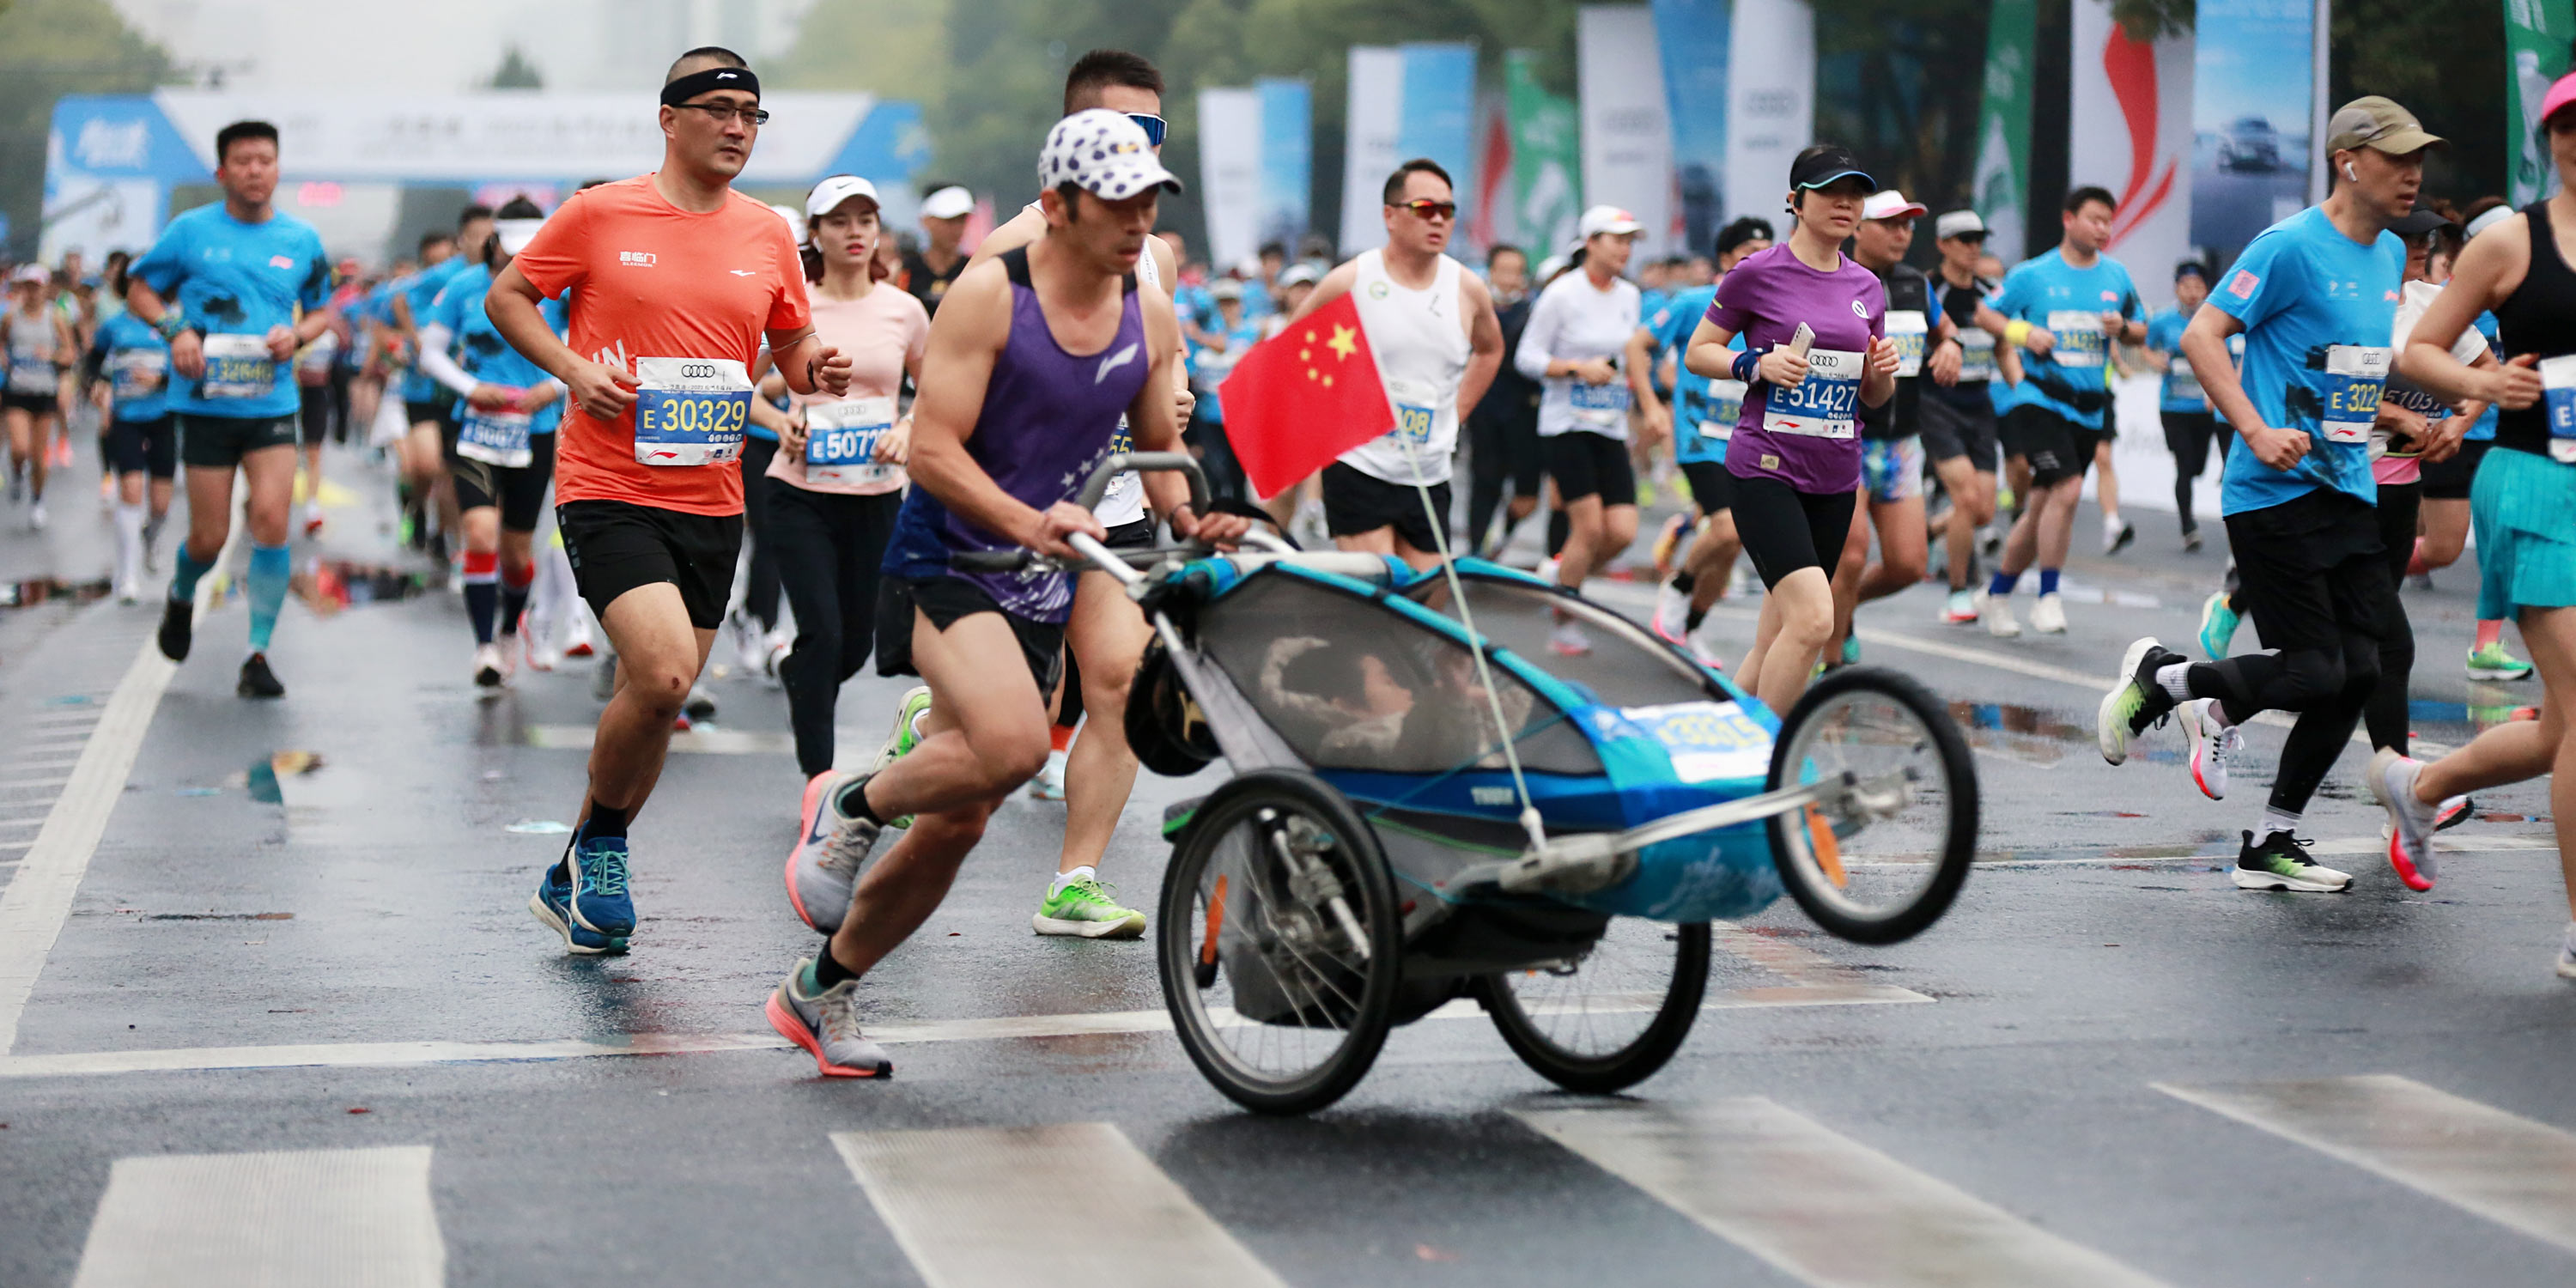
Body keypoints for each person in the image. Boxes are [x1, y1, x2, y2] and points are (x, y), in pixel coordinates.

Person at [770, 110, 1247, 1074]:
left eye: (1150, 200)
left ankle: (820, 992)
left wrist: (1199, 521)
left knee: (964, 817)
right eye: (1117, 201)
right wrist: (1029, 520)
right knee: (1017, 745)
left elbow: (1160, 454)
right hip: (947, 561)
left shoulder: (1148, 310)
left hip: (1044, 572)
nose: (1136, 220)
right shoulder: (991, 296)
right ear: (1059, 206)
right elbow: (935, 449)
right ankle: (855, 803)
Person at [484, 47, 850, 956]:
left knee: (658, 702)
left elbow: (792, 342)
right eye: (720, 109)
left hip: (711, 499)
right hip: (609, 484)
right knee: (659, 675)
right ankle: (604, 850)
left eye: (751, 115)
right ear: (670, 117)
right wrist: (573, 368)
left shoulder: (767, 231)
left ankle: (573, 863)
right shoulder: (601, 211)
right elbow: (511, 297)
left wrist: (818, 372)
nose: (737, 128)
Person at [2095, 96, 2439, 893]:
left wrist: (2394, 414)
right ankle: (2168, 680)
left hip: (2349, 485)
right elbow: (2201, 335)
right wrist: (2251, 427)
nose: (2413, 172)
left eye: (2421, 156)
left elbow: (2339, 368)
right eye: (2397, 157)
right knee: (2318, 670)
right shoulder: (2286, 246)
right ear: (2348, 162)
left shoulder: (2388, 254)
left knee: (2369, 667)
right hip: (2271, 492)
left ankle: (2272, 839)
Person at [948, 49, 1206, 934]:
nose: (1142, 161)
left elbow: (1159, 375)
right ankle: (913, 743)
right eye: (1127, 135)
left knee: (1122, 683)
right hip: (1016, 518)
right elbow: (955, 392)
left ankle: (1076, 879)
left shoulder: (1154, 260)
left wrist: (1171, 406)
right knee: (1003, 735)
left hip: (1117, 508)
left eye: (1156, 137)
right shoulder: (1008, 251)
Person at [2372, 73, 2576, 958]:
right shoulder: (2510, 242)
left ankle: (2418, 789)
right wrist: (2483, 383)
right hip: (2531, 482)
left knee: (2562, 729)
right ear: (2550, 140)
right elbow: (2419, 345)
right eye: (2568, 126)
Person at [1682, 144, 1899, 709]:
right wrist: (1754, 364)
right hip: (1766, 470)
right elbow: (1698, 351)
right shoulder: (1758, 273)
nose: (1845, 203)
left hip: (1834, 478)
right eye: (1830, 191)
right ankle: (1771, 762)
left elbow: (1872, 395)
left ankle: (1720, 742)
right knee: (1814, 622)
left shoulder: (1867, 288)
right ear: (1795, 202)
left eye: (1856, 194)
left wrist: (1881, 375)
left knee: (1775, 639)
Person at [128, 119, 335, 699]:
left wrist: (298, 336)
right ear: (223, 172)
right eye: (242, 161)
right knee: (210, 538)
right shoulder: (190, 232)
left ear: (277, 168)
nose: (254, 170)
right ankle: (181, 593)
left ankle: (258, 653)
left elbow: (321, 309)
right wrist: (175, 331)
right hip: (203, 403)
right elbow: (139, 289)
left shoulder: (301, 239)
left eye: (264, 160)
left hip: (271, 402)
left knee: (272, 521)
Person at [765, 175, 929, 823]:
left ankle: (802, 678)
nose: (855, 232)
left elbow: (941, 387)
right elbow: (743, 385)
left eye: (866, 220)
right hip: (799, 494)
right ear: (816, 235)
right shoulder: (793, 308)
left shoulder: (904, 310)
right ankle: (820, 783)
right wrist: (780, 423)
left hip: (877, 496)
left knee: (855, 646)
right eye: (839, 222)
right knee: (823, 631)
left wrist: (907, 429)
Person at [1287, 157, 1504, 568]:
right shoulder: (1351, 280)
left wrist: (1456, 413)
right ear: (1390, 215)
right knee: (1384, 586)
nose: (1438, 219)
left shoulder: (1468, 289)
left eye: (1448, 210)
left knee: (1430, 593)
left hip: (1428, 469)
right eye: (1425, 209)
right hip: (1357, 464)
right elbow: (1290, 350)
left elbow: (1491, 350)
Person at [1978, 186, 2144, 636]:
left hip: (2088, 409)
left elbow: (2140, 330)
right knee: (2067, 489)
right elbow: (1985, 314)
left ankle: (1996, 595)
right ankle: (2048, 596)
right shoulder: (2033, 275)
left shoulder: (2117, 277)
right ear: (2068, 219)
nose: (2103, 229)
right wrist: (2023, 332)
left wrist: (2124, 329)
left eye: (2109, 221)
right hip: (2039, 400)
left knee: (2040, 511)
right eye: (2095, 219)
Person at [416, 198, 568, 687]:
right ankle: (483, 645)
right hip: (477, 429)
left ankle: (508, 629)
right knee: (479, 533)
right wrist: (469, 388)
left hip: (536, 429)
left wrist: (553, 386)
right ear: (494, 242)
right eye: (512, 248)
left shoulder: (562, 289)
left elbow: (595, 343)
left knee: (516, 555)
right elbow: (431, 353)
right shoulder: (462, 287)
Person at [1517, 204, 1661, 654]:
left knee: (1621, 531)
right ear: (1591, 243)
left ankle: (1559, 573)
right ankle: (1565, 620)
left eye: (1631, 241)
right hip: (1566, 426)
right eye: (1617, 239)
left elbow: (1632, 355)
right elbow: (1527, 358)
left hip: (1610, 425)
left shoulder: (1629, 296)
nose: (1625, 249)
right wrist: (1576, 368)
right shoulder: (1562, 294)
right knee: (1590, 529)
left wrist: (1642, 389)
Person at [1834, 189, 1956, 665]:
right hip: (1848, 439)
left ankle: (1838, 610)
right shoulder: (1836, 279)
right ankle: (1831, 664)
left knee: (1909, 564)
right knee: (1850, 555)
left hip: (1903, 443)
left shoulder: (1915, 284)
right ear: (1858, 227)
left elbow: (1946, 329)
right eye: (1890, 224)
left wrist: (1951, 346)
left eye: (1908, 226)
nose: (1902, 234)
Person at [1644, 216, 1771, 663]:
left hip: (1749, 440)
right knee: (1726, 527)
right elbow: (1638, 345)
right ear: (1724, 260)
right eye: (1746, 256)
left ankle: (1690, 627)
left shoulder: (1771, 311)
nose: (1757, 264)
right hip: (1699, 439)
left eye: (1765, 254)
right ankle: (1678, 588)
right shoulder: (1694, 302)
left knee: (1732, 543)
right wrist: (1652, 402)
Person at [1921, 210, 2013, 623]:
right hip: (1937, 404)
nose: (1974, 247)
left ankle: (1930, 529)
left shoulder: (1991, 291)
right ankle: (1958, 592)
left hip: (1980, 406)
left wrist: (2019, 384)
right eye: (1964, 239)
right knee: (1967, 499)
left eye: (1979, 239)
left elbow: (2003, 344)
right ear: (1943, 244)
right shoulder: (1927, 290)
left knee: (1984, 512)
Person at [393, 206, 495, 562]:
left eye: (490, 234)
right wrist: (417, 341)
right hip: (423, 390)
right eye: (477, 235)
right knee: (425, 465)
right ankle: (416, 507)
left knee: (453, 474)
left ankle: (446, 539)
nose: (485, 242)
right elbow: (399, 298)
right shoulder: (446, 276)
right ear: (461, 240)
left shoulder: (502, 276)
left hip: (466, 396)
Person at [84, 262, 174, 602]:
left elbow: (190, 368)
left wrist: (160, 380)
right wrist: (95, 385)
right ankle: (127, 575)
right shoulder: (114, 326)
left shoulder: (171, 324)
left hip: (163, 417)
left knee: (161, 503)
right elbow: (93, 360)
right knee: (131, 490)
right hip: (126, 417)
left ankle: (152, 535)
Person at [2139, 261, 2225, 550]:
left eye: (2198, 287)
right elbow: (2144, 345)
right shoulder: (2163, 320)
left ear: (2207, 290)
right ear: (2176, 288)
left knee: (2198, 466)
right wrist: (2155, 362)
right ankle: (2189, 527)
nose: (2192, 293)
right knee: (2184, 465)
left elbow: (2232, 354)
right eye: (2186, 286)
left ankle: (2190, 517)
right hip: (2173, 407)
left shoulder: (2215, 321)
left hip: (2205, 408)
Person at [1465, 243, 1542, 557]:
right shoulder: (1473, 309)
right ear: (1491, 272)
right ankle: (1475, 547)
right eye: (1503, 270)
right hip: (1483, 408)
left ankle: (1503, 531)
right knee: (1483, 480)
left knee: (1526, 491)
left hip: (1523, 412)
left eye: (1516, 271)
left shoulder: (1534, 313)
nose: (1510, 278)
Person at [3, 264, 76, 530]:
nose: (32, 292)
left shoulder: (55, 317)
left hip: (45, 392)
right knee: (19, 448)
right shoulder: (11, 317)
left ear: (45, 288)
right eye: (28, 286)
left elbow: (70, 353)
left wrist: (53, 357)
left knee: (38, 455)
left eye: (37, 286)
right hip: (17, 391)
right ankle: (16, 473)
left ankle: (37, 500)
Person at [904, 184, 975, 317]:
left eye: (962, 220)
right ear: (926, 221)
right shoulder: (904, 270)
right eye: (949, 221)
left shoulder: (974, 268)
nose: (957, 229)